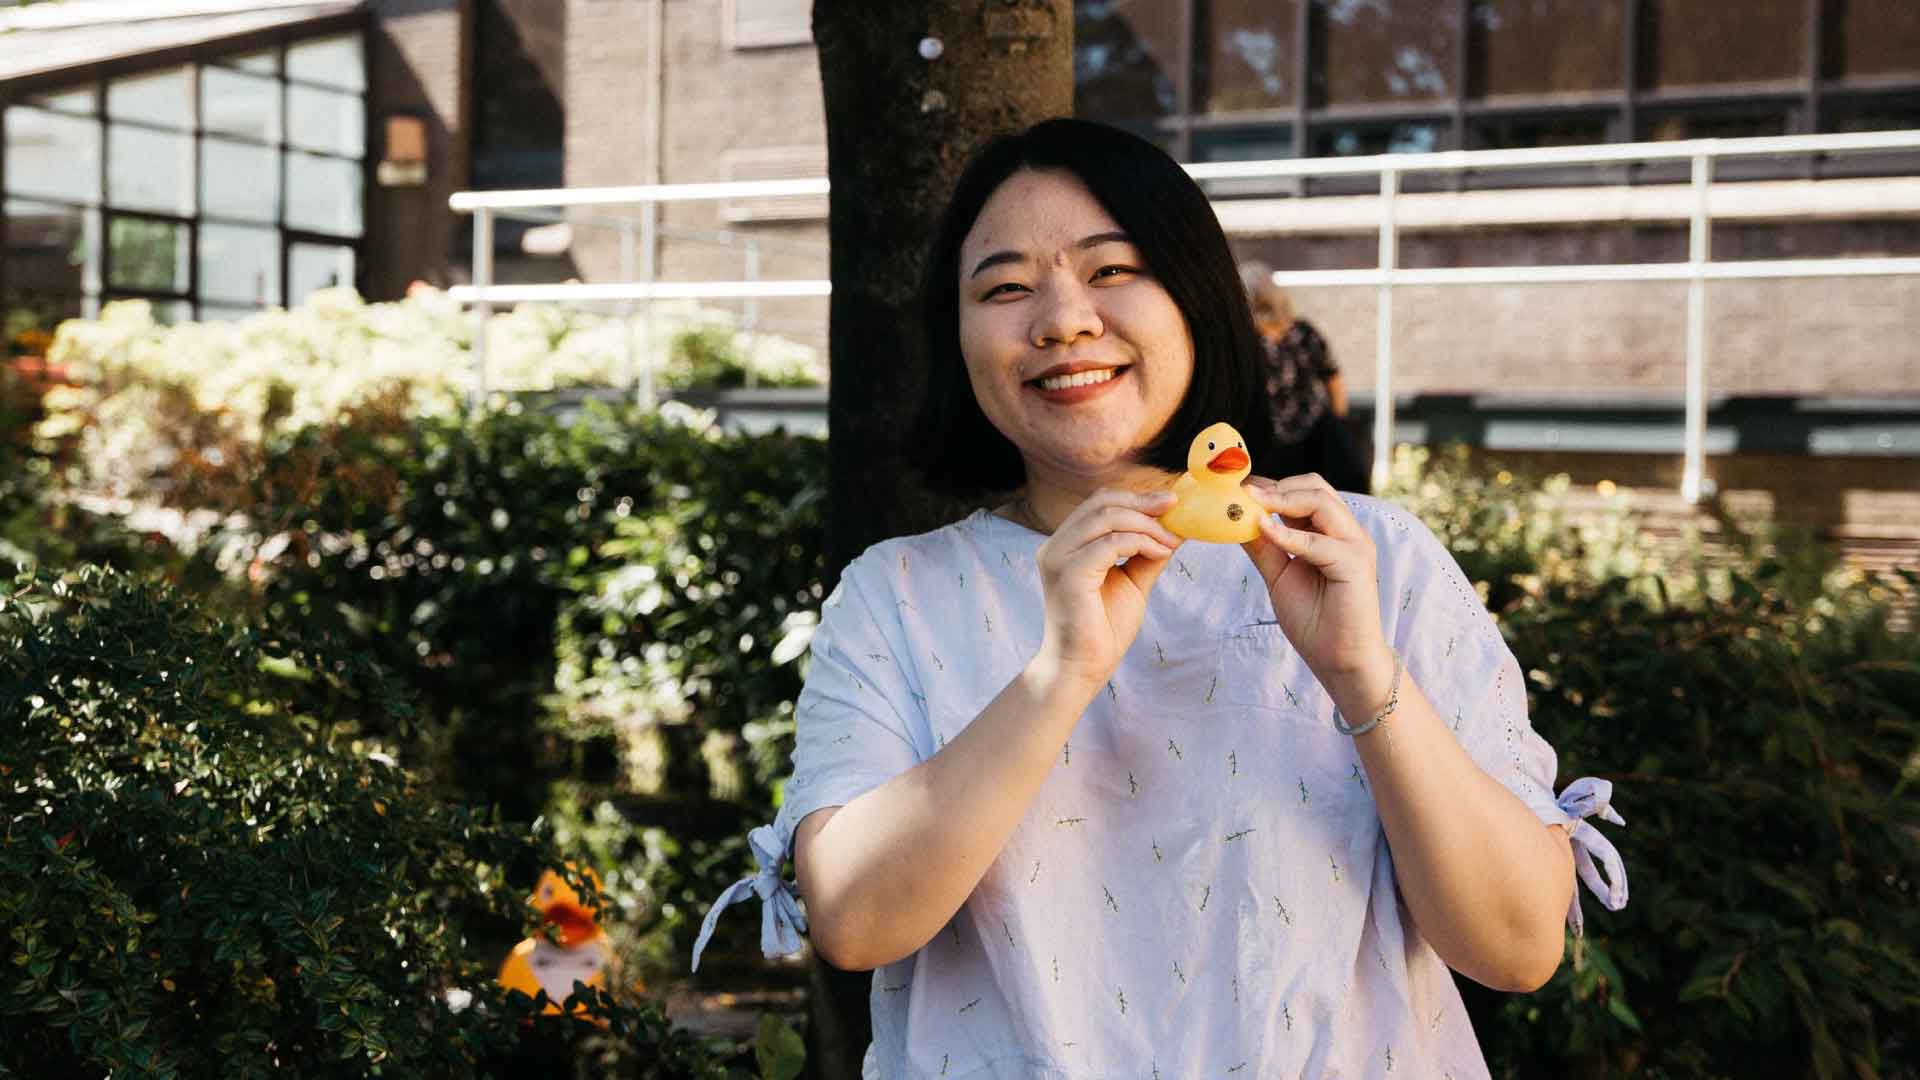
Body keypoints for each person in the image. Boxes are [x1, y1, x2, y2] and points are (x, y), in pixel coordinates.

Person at [692, 118, 1626, 1078]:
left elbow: (1516, 946)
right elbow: (853, 921)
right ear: (959, 340)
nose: (1062, 321)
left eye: (1111, 271)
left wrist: (1360, 674)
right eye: (1006, 287)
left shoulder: (1365, 556)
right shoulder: (896, 596)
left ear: (1196, 297)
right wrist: (1059, 676)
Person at [1245, 272, 1370, 494]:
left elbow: (1332, 376)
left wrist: (1339, 424)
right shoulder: (1247, 338)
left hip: (1309, 432)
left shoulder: (1304, 333)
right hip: (1265, 439)